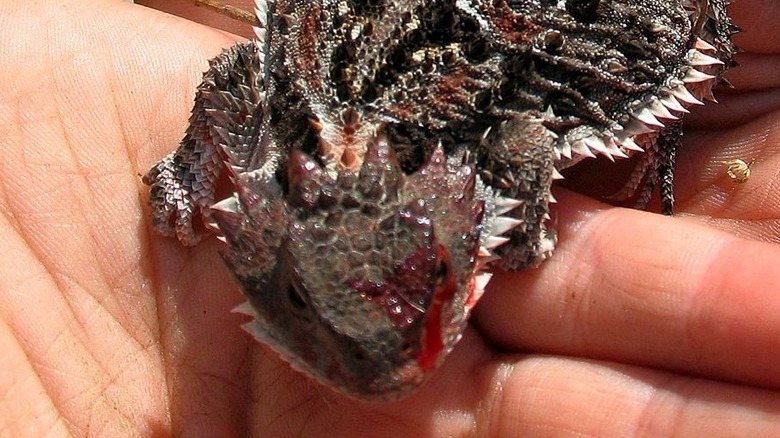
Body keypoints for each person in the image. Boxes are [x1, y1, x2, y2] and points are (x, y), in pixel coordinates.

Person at [2, 0, 779, 436]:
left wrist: (527, 236)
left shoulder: (458, 172)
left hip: (524, 33)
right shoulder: (278, 153)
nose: (390, 365)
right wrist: (191, 169)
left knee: (674, 30)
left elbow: (518, 138)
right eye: (309, 304)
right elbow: (235, 70)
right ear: (270, 252)